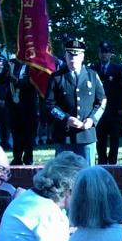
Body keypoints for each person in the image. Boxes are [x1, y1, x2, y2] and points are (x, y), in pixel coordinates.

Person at [45, 36, 106, 167]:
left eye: (76, 55)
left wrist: (92, 120)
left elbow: (102, 101)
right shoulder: (56, 77)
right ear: (65, 56)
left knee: (87, 175)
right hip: (64, 136)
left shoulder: (92, 75)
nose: (73, 59)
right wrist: (66, 118)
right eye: (70, 55)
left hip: (86, 135)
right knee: (62, 175)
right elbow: (50, 105)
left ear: (82, 56)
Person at [93, 42, 122, 165]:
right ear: (99, 54)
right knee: (100, 139)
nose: (104, 55)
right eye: (102, 52)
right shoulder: (93, 69)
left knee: (114, 138)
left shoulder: (118, 70)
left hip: (114, 111)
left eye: (107, 52)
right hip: (99, 111)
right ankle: (102, 162)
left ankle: (113, 162)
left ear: (110, 54)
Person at [7, 60, 39, 165]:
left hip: (29, 106)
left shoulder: (34, 66)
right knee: (16, 133)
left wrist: (17, 81)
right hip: (15, 106)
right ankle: (17, 157)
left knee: (28, 133)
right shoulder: (14, 65)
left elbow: (33, 82)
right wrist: (6, 69)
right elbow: (3, 79)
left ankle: (28, 158)